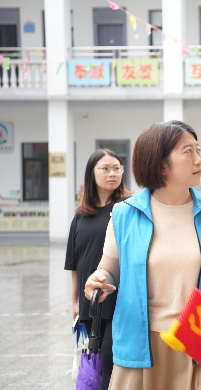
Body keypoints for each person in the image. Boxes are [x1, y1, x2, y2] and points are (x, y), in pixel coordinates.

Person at [84, 120, 201, 390]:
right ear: (161, 165)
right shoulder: (125, 214)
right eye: (188, 151)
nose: (199, 159)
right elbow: (108, 270)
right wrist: (97, 281)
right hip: (141, 344)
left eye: (198, 150)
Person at [64, 149, 130, 390]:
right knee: (92, 360)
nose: (112, 173)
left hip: (118, 299)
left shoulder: (127, 209)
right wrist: (74, 301)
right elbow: (74, 263)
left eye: (117, 168)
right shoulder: (80, 216)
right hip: (89, 302)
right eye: (105, 168)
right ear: (91, 174)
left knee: (108, 358)